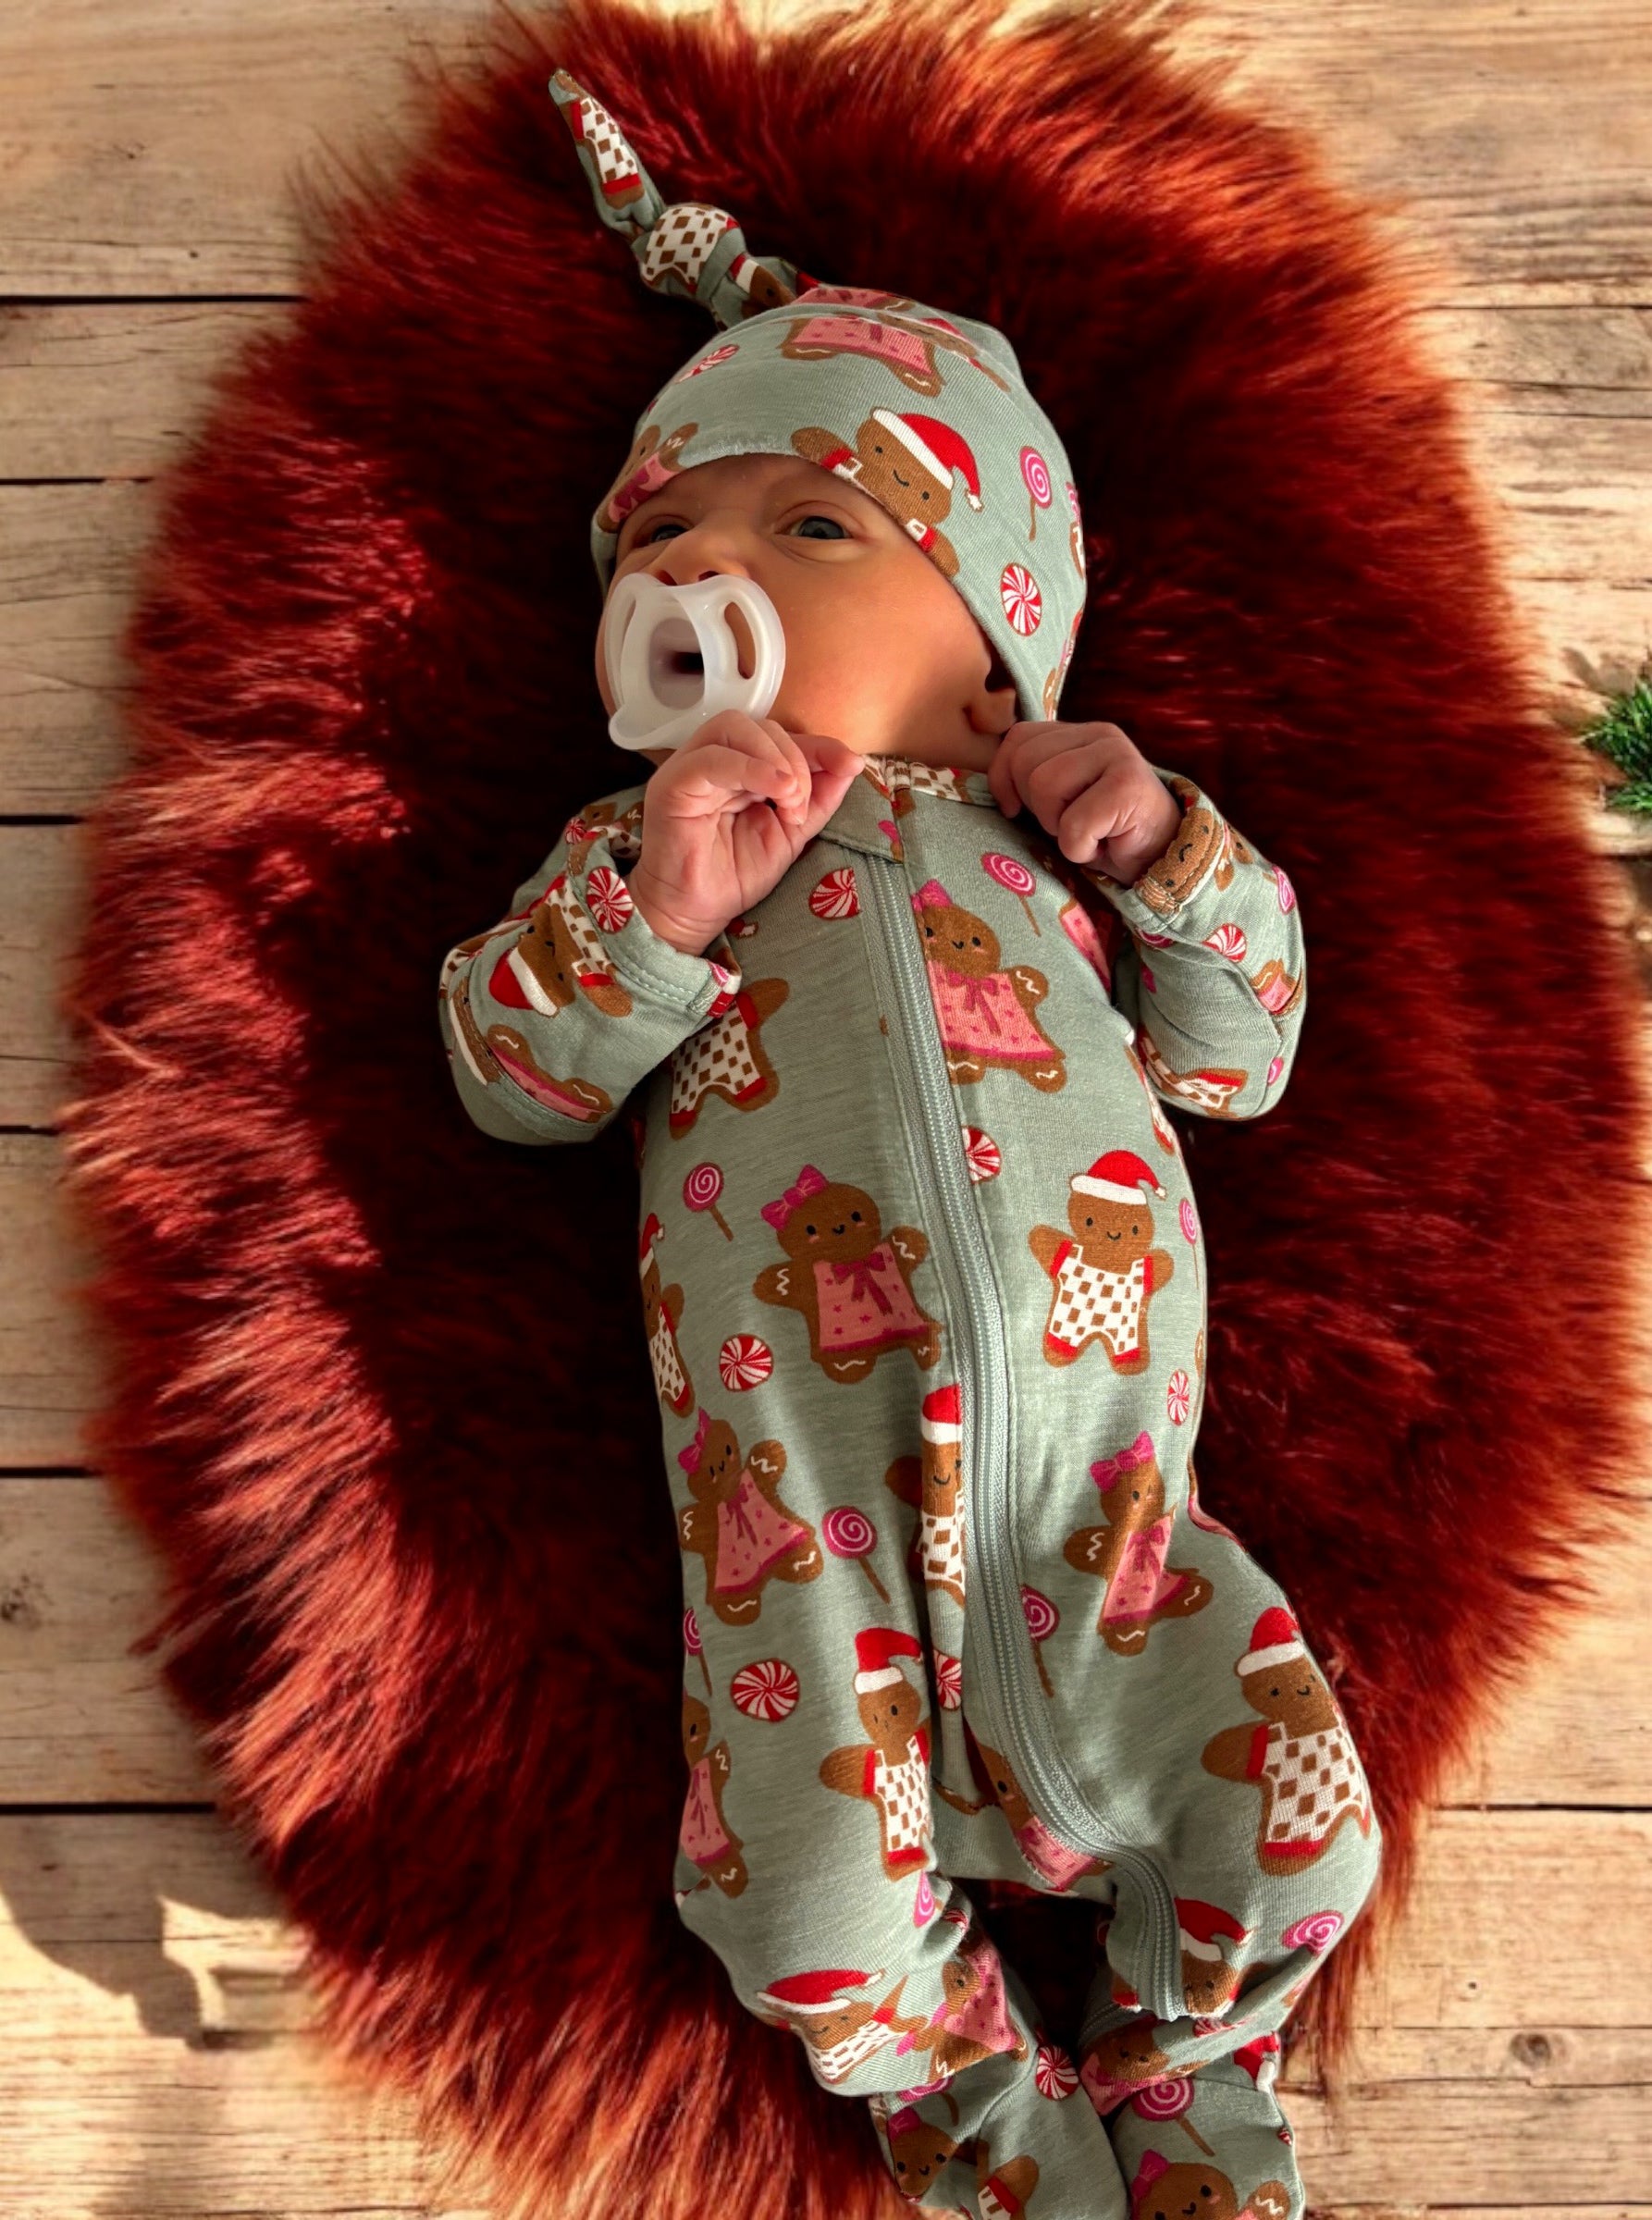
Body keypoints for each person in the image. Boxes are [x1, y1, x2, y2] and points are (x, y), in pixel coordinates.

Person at [435, 68, 1383, 2220]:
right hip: (807, 1563)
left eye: (805, 529)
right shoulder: (646, 853)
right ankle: (982, 2119)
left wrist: (1168, 858)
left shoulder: (1058, 848)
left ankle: (1179, 2067)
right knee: (798, 1918)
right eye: (661, 546)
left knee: (1307, 1827)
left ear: (987, 648)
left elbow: (1241, 1063)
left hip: (1109, 1523)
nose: (700, 572)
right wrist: (649, 915)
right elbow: (509, 1075)